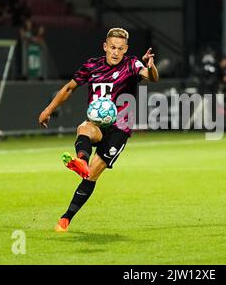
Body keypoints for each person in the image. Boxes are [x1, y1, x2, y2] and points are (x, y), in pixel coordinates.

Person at [38, 28, 159, 232]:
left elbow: (152, 77)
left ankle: (65, 219)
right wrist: (48, 110)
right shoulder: (92, 65)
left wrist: (151, 66)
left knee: (91, 176)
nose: (115, 52)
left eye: (120, 48)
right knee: (83, 127)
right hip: (97, 123)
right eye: (112, 47)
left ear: (126, 49)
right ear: (105, 46)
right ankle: (81, 162)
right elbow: (69, 88)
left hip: (119, 130)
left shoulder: (131, 64)